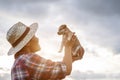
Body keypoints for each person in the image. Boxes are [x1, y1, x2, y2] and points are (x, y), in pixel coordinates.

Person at [6, 22, 75, 80]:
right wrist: (68, 46)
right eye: (34, 36)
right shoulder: (28, 59)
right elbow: (66, 69)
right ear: (27, 43)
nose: (37, 38)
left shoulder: (17, 63)